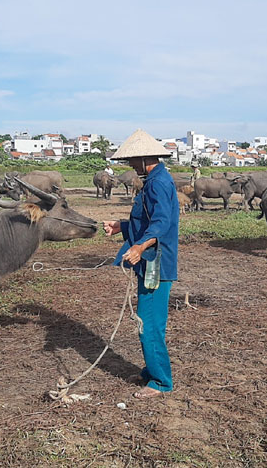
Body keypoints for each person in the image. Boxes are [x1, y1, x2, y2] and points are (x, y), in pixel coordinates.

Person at [102, 129, 179, 400]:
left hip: (155, 263)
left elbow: (161, 223)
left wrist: (139, 246)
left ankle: (161, 381)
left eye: (134, 161)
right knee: (147, 320)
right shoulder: (153, 180)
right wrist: (122, 226)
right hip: (149, 261)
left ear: (146, 158)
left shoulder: (158, 183)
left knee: (150, 323)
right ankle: (150, 371)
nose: (131, 166)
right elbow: (146, 221)